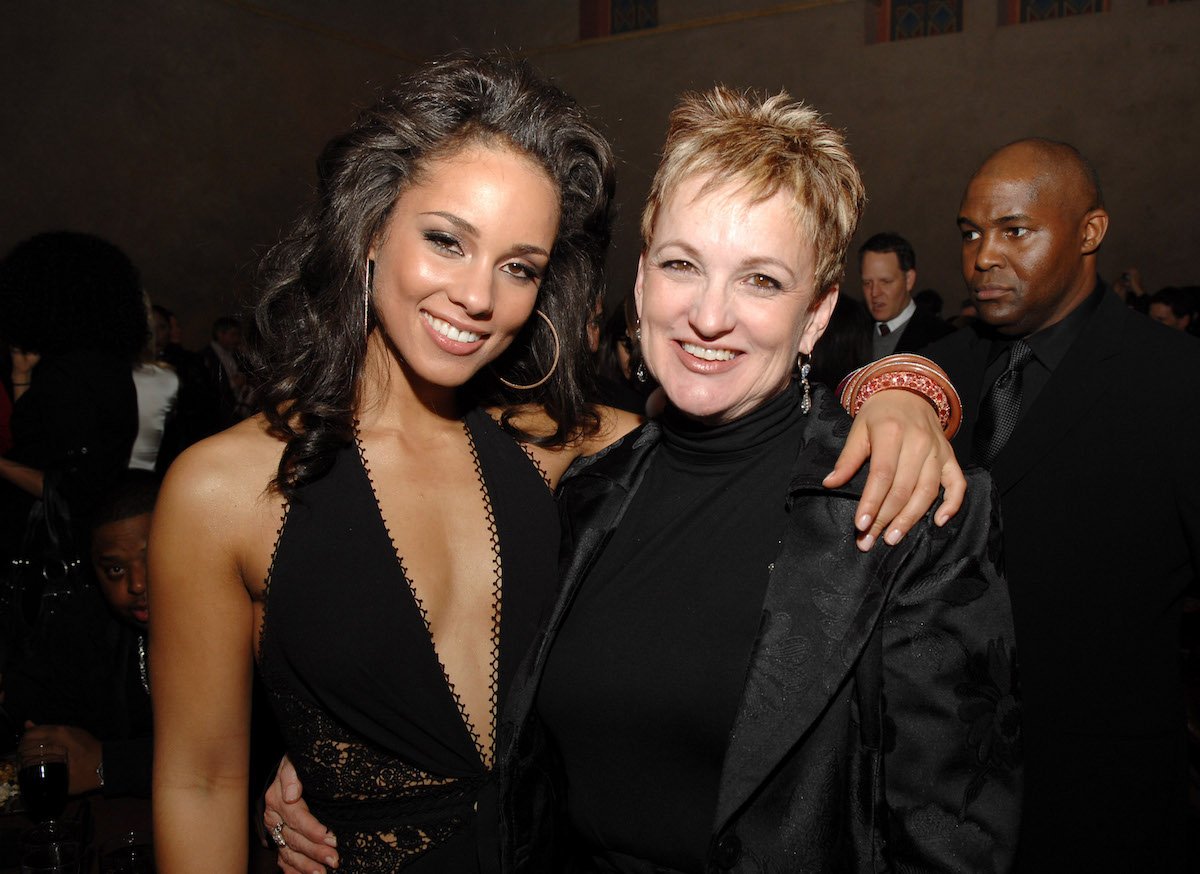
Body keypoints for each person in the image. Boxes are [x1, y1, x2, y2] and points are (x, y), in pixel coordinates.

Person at [267, 85, 1020, 873]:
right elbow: (490, 710)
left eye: (761, 280)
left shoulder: (906, 509)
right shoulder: (587, 488)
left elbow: (953, 843)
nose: (708, 314)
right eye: (681, 264)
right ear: (640, 280)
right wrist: (331, 761)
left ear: (820, 313)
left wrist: (902, 384)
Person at [928, 138, 1200, 871]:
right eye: (970, 233)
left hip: (1105, 802)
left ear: (1089, 233)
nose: (983, 255)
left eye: (1015, 231)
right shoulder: (934, 377)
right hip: (938, 799)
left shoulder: (1174, 381)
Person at [0, 233, 146, 653]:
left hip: (57, 558)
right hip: (71, 545)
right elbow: (39, 442)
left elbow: (71, 488)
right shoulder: (102, 367)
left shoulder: (70, 375)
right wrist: (22, 375)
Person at [2, 470, 158, 798]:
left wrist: (110, 764)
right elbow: (42, 695)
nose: (137, 584)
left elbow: (253, 750)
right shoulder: (95, 626)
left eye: (151, 559)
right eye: (116, 569)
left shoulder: (241, 625)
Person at [860, 232, 954, 359]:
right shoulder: (851, 334)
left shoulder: (943, 339)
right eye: (867, 283)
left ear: (909, 280)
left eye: (886, 282)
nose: (875, 292)